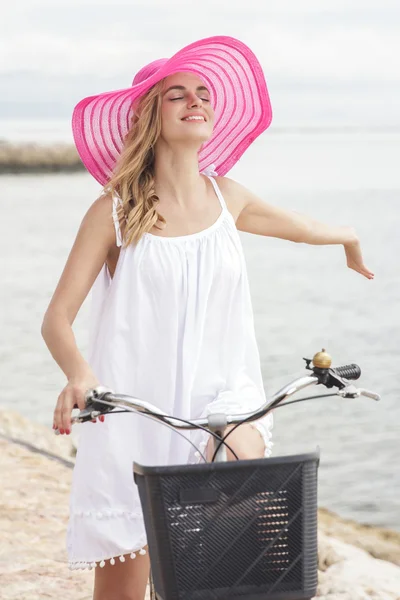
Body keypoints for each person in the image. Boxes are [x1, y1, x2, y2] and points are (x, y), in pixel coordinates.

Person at [41, 35, 374, 600]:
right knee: (123, 585)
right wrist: (78, 374)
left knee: (239, 537)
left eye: (203, 92)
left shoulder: (228, 198)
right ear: (151, 114)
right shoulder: (115, 212)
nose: (196, 101)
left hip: (224, 397)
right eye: (177, 94)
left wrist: (348, 236)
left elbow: (300, 225)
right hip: (134, 410)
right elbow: (57, 318)